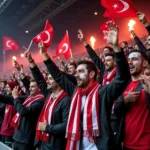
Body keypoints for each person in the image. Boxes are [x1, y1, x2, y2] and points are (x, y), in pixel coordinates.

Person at [38, 22, 130, 150]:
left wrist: (116, 48)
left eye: (81, 72)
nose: (76, 75)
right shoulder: (75, 91)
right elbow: (58, 76)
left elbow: (122, 78)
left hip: (99, 146)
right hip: (77, 145)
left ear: (92, 74)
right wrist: (45, 56)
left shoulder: (102, 92)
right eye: (76, 72)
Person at [22, 51, 71, 150]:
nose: (47, 81)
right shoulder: (49, 95)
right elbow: (40, 80)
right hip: (44, 142)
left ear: (58, 81)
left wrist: (47, 128)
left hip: (56, 145)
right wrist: (31, 61)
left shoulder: (66, 100)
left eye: (50, 78)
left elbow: (66, 125)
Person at [114, 50, 150, 150]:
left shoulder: (148, 82)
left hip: (145, 145)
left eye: (134, 59)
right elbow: (116, 112)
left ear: (144, 63)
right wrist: (125, 100)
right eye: (128, 59)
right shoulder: (125, 85)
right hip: (126, 144)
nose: (130, 62)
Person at [0, 71, 45, 150]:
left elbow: (23, 111)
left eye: (33, 87)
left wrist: (16, 98)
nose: (29, 89)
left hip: (26, 139)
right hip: (17, 135)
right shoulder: (29, 97)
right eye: (30, 86)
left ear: (40, 88)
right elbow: (10, 99)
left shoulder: (40, 101)